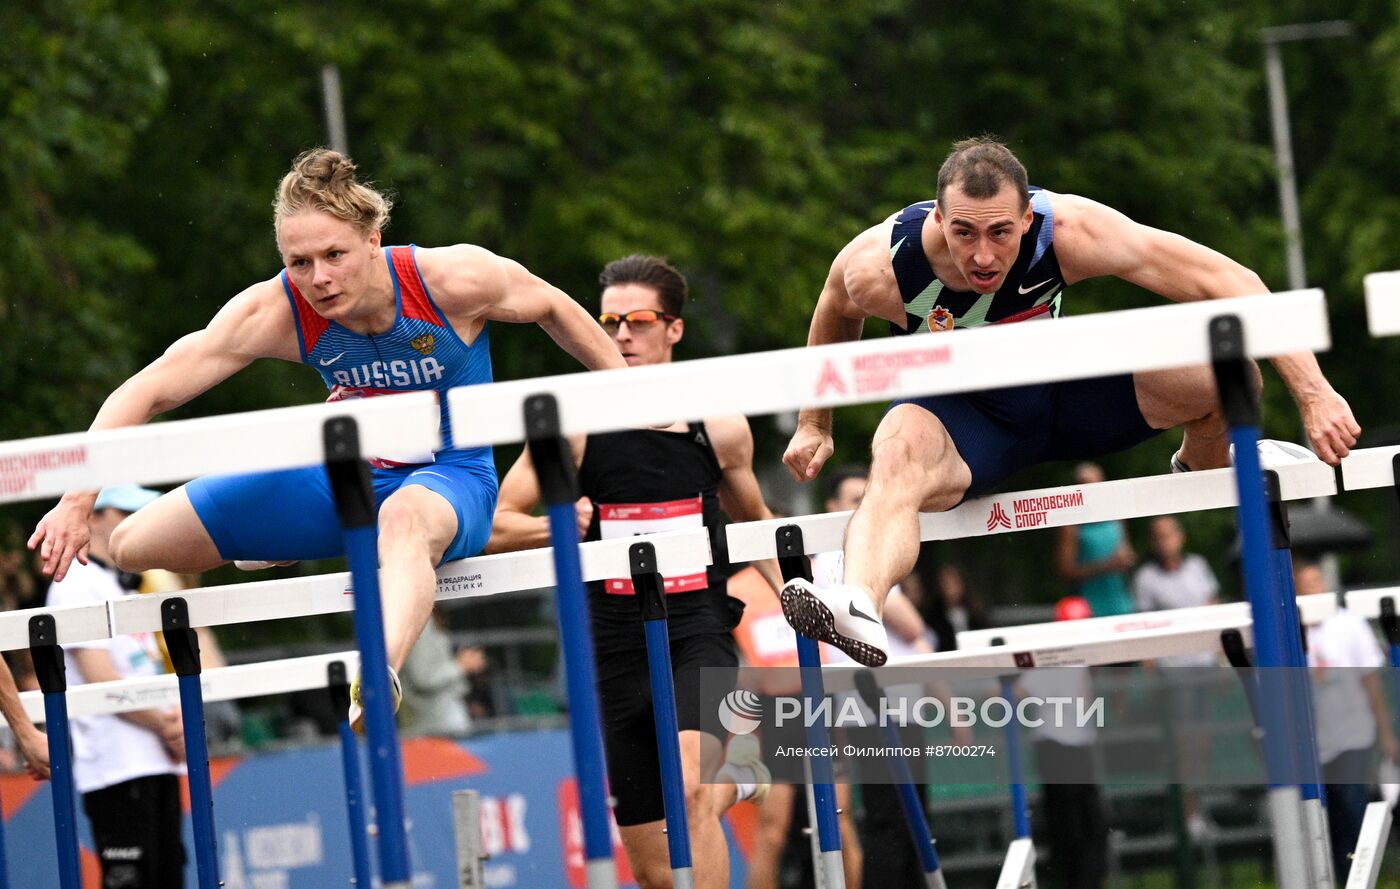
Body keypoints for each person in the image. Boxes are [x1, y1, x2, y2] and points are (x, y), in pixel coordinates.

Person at [27, 148, 627, 728]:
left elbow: (553, 305)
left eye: (334, 255)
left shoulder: (449, 279)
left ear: (373, 241)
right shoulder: (278, 310)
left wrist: (627, 393)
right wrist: (77, 500)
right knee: (134, 542)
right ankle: (283, 540)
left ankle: (378, 672)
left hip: (448, 478)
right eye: (299, 262)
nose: (319, 279)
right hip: (344, 480)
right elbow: (152, 387)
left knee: (403, 521)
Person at [779, 135, 1359, 666]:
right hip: (963, 422)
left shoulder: (1071, 231)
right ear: (939, 218)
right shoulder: (884, 266)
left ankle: (1202, 464)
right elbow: (833, 307)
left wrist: (1315, 394)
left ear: (1027, 217)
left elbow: (1230, 282)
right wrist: (814, 422)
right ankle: (857, 603)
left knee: (1226, 376)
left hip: (1065, 392)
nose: (983, 256)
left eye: (1001, 233)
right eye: (965, 234)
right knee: (897, 456)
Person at [488, 255, 776, 889]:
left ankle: (719, 783)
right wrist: (559, 527)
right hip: (614, 646)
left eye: (638, 321)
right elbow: (495, 522)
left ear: (673, 329)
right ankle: (738, 779)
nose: (620, 335)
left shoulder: (717, 426)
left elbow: (757, 523)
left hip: (695, 626)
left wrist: (807, 604)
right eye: (609, 321)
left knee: (692, 790)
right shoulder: (576, 429)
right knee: (653, 871)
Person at [45, 485, 188, 887]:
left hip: (153, 759)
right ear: (90, 515)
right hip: (117, 768)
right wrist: (169, 726)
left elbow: (142, 670)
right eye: (125, 512)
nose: (135, 523)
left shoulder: (118, 583)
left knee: (168, 877)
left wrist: (172, 724)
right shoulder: (73, 581)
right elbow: (102, 680)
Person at [1294, 559, 1398, 881]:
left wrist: (1386, 734)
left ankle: (1365, 878)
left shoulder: (1349, 625)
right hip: (1315, 744)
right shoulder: (1292, 631)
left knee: (1353, 811)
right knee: (1328, 822)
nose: (1311, 588)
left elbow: (1371, 682)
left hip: (1354, 735)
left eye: (1315, 581)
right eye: (1304, 582)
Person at [1132, 515, 1220, 837]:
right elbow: (1143, 628)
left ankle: (1199, 810)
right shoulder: (1146, 578)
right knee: (1184, 741)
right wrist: (1150, 667)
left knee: (1204, 738)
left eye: (1169, 534)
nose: (1164, 541)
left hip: (1204, 664)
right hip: (1174, 670)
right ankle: (1188, 814)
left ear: (1180, 537)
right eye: (1158, 536)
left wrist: (1222, 656)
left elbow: (1213, 608)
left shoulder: (1198, 566)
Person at [1055, 462, 1135, 617]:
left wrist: (1127, 560)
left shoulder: (1116, 516)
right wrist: (1107, 566)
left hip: (1122, 603)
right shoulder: (1072, 525)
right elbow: (1065, 570)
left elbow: (1127, 553)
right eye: (1084, 485)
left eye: (1093, 484)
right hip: (1086, 607)